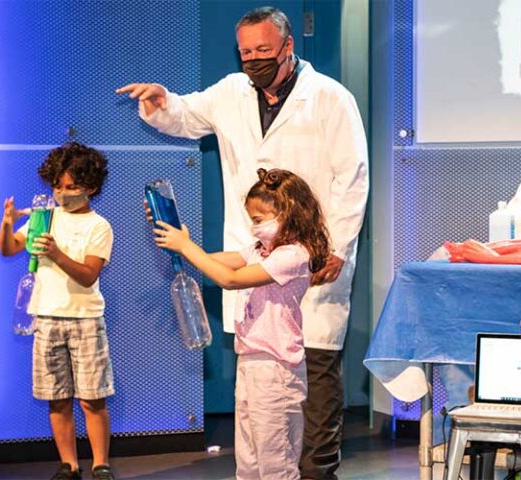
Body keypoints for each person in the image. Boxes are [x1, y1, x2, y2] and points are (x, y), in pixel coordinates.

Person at [116, 6, 368, 478]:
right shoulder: (232, 92)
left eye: (263, 51)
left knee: (313, 376)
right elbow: (187, 115)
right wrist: (161, 101)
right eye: (245, 51)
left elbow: (352, 178)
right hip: (255, 255)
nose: (252, 60)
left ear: (288, 48)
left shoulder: (330, 98)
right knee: (258, 398)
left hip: (311, 258)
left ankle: (316, 472)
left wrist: (338, 248)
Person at [154, 168, 330, 479]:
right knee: (249, 460)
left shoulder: (292, 256)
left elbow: (230, 278)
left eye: (260, 220)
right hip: (250, 363)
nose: (254, 228)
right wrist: (180, 239)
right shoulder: (261, 251)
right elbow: (218, 261)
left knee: (275, 460)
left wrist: (185, 247)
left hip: (276, 370)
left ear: (288, 213)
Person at [0, 142, 115, 480]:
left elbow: (89, 274)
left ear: (90, 187)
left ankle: (101, 464)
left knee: (92, 398)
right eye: (58, 186)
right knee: (56, 397)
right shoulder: (42, 217)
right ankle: (69, 465)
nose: (63, 194)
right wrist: (6, 224)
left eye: (72, 187)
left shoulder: (99, 226)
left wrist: (57, 253)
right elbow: (8, 249)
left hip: (85, 319)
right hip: (46, 318)